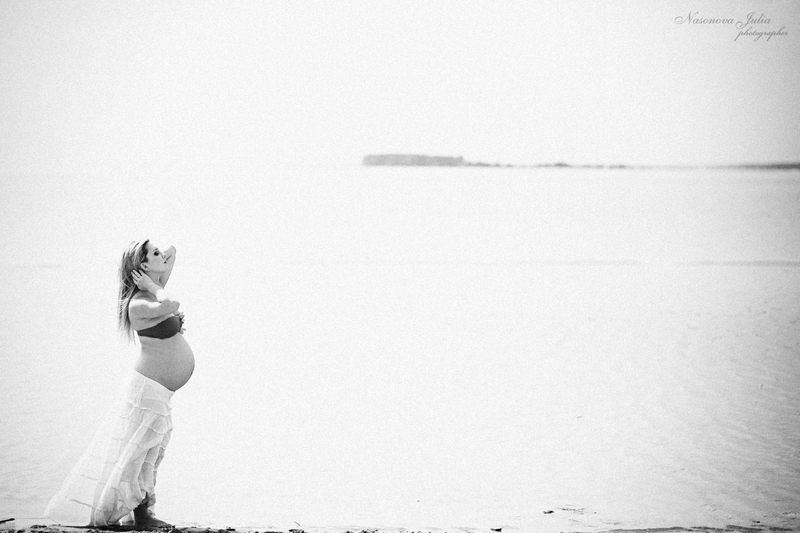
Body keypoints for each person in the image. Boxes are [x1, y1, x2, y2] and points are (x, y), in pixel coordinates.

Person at [45, 240, 195, 528]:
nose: (162, 256)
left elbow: (173, 251)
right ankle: (142, 517)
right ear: (143, 266)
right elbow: (172, 305)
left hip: (158, 391)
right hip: (148, 389)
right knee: (140, 452)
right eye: (154, 254)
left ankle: (142, 514)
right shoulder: (139, 303)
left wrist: (153, 265)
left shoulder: (153, 291)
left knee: (151, 451)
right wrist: (150, 283)